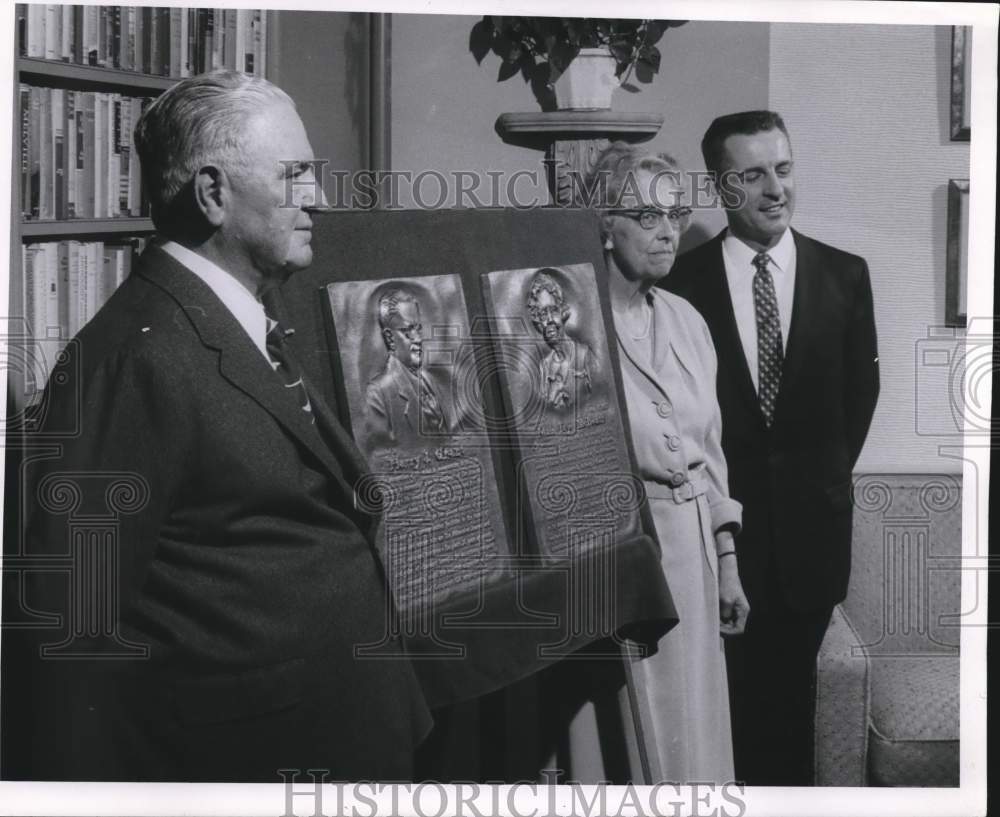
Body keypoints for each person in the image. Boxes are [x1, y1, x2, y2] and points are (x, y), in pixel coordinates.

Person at [10, 70, 431, 781]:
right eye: (295, 176)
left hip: (332, 739)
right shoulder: (133, 360)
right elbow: (68, 638)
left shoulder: (239, 319)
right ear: (213, 195)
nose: (319, 199)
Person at [665, 110, 879, 785]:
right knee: (720, 719)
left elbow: (858, 401)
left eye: (783, 169)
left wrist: (812, 488)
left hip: (812, 546)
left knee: (790, 720)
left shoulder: (846, 275)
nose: (774, 188)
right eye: (752, 174)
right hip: (714, 545)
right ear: (721, 186)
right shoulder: (681, 283)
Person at [587, 142, 751, 782]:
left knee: (697, 732)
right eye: (648, 216)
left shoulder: (687, 321)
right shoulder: (574, 325)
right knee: (635, 732)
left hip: (696, 556)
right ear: (606, 224)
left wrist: (729, 564)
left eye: (677, 216)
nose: (668, 233)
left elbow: (711, 458)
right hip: (623, 553)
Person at [365, 289, 451, 449]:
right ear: (390, 338)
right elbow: (383, 458)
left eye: (418, 329)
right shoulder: (377, 394)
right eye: (407, 331)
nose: (417, 339)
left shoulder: (430, 380)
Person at [525, 269, 593, 410]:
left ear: (563, 312)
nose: (550, 320)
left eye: (554, 310)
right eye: (543, 315)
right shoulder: (544, 367)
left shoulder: (585, 355)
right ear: (537, 322)